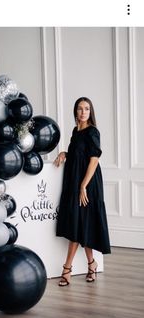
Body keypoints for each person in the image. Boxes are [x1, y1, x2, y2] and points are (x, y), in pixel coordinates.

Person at [54, 97, 111, 287]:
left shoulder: (93, 132)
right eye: (80, 108)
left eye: (87, 109)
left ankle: (67, 268)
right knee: (81, 224)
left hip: (88, 184)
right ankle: (91, 264)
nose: (83, 112)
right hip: (75, 182)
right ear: (75, 112)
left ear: (90, 112)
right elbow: (79, 155)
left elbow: (94, 160)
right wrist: (65, 153)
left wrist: (83, 186)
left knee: (79, 223)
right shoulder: (75, 131)